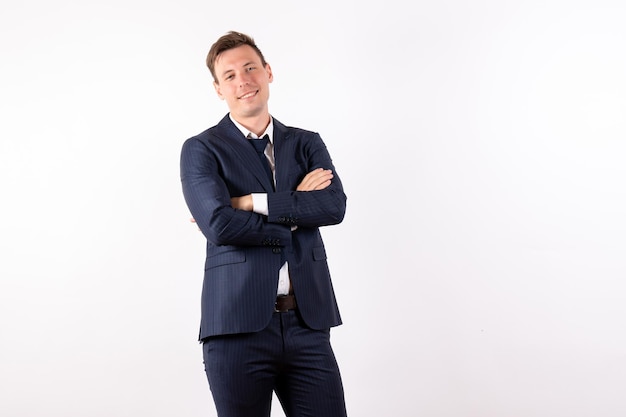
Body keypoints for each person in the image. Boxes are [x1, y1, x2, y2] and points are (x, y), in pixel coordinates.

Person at [179, 31, 348, 417]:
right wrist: (294, 213)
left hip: (308, 323)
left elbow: (333, 206)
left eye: (250, 68)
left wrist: (249, 202)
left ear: (268, 72)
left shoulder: (307, 143)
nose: (243, 81)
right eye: (230, 75)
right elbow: (219, 225)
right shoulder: (201, 149)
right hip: (237, 328)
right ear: (218, 89)